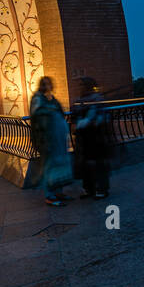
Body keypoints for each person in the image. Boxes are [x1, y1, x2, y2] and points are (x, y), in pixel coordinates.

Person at [30, 76, 73, 206]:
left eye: (50, 84)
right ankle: (49, 195)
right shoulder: (37, 98)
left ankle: (58, 191)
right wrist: (50, 111)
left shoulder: (52, 98)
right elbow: (37, 115)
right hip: (46, 139)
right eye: (46, 84)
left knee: (59, 165)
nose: (48, 86)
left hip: (58, 139)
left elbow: (60, 112)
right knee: (49, 166)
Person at [72, 77, 111, 199]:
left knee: (98, 163)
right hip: (84, 138)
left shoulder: (97, 99)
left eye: (82, 85)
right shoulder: (80, 101)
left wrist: (88, 122)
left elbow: (102, 118)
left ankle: (101, 189)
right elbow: (74, 117)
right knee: (86, 164)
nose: (80, 87)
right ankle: (89, 189)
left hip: (95, 136)